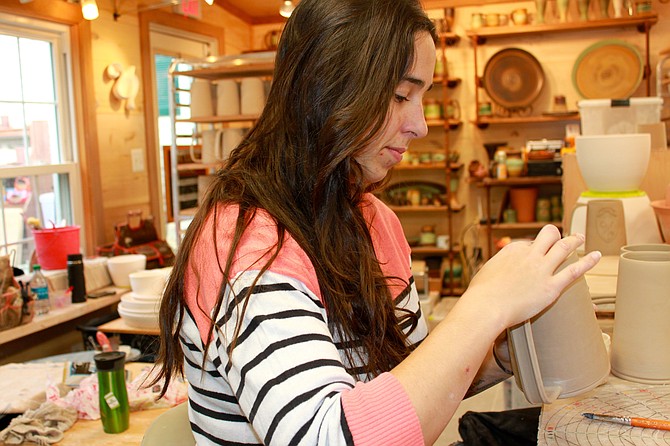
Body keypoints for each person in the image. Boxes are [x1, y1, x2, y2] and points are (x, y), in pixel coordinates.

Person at [153, 0, 602, 444]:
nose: (421, 124)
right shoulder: (248, 246)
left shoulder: (372, 218)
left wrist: (497, 354)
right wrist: (483, 308)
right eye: (401, 95)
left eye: (422, 96)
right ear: (326, 89)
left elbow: (406, 379)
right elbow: (328, 438)